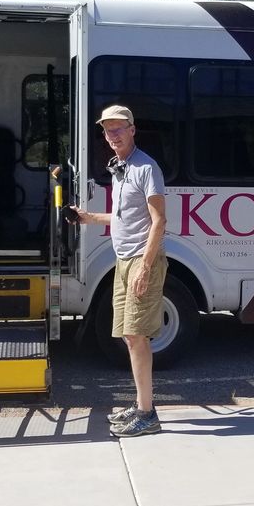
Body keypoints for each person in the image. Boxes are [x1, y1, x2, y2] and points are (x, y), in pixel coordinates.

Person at [70, 105, 168, 437]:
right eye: (108, 130)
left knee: (138, 337)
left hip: (141, 262)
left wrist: (145, 267)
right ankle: (141, 405)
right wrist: (89, 218)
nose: (113, 136)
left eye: (118, 129)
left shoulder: (145, 168)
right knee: (129, 337)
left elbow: (159, 222)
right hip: (123, 261)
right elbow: (123, 217)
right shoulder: (121, 169)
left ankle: (147, 414)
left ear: (132, 129)